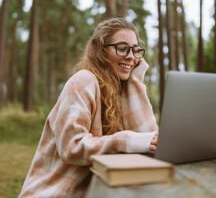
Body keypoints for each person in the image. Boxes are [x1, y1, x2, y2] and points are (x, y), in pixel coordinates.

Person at [18, 18, 159, 198]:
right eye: (122, 48)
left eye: (135, 50)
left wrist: (135, 82)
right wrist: (123, 141)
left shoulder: (123, 92)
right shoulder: (83, 81)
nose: (131, 56)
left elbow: (147, 139)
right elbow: (71, 147)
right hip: (56, 193)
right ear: (102, 50)